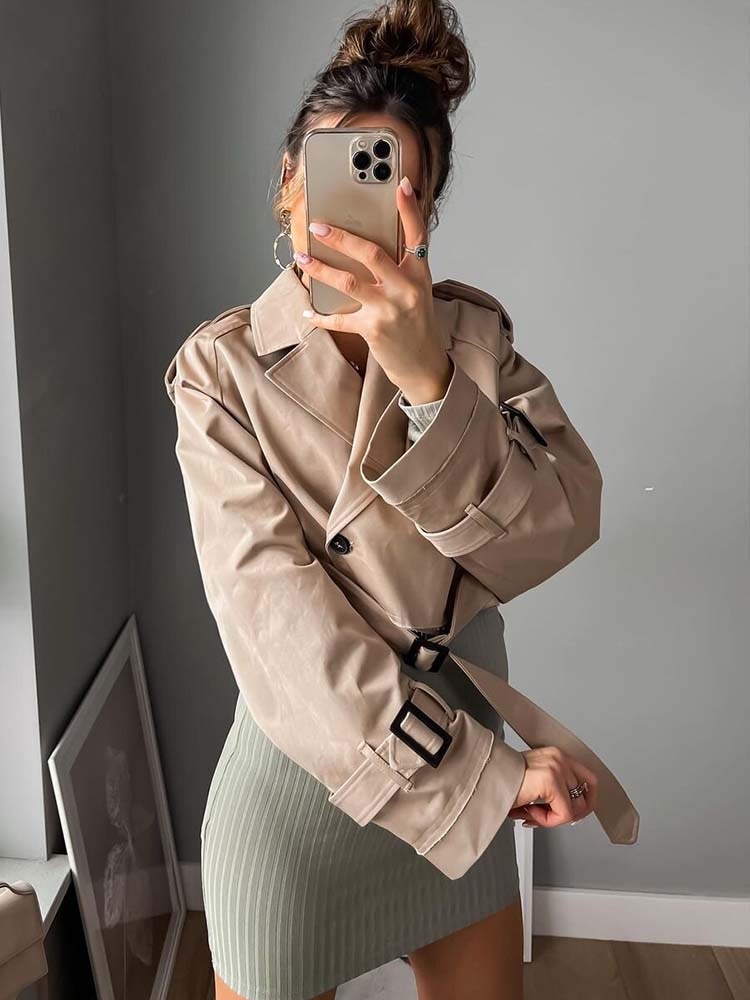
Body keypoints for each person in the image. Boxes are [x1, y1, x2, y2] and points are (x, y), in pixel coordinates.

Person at [164, 1, 614, 998]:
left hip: (468, 754)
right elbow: (282, 629)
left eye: (395, 185)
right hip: (313, 781)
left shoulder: (474, 343)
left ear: (424, 215)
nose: (360, 209)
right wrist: (482, 776)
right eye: (340, 173)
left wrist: (428, 383)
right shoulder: (219, 373)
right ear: (289, 185)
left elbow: (557, 529)